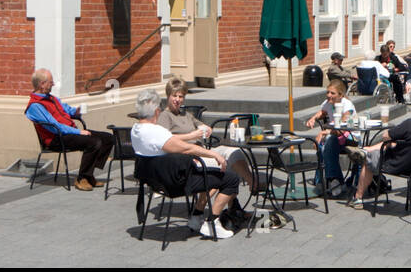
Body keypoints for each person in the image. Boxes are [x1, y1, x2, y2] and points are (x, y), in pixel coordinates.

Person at [130, 89, 240, 239]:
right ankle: (212, 223)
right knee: (231, 178)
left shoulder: (136, 130)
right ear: (156, 111)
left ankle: (197, 217)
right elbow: (186, 147)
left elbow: (174, 148)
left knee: (213, 173)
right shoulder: (155, 132)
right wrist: (214, 154)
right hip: (177, 183)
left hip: (157, 182)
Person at [347, 88, 411, 207]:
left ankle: (358, 198)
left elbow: (385, 135)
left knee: (370, 159)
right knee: (395, 143)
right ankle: (367, 149)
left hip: (401, 165)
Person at [156, 77, 254, 190]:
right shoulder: (165, 116)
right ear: (168, 96)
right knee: (225, 166)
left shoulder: (185, 114)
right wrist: (192, 136)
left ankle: (252, 184)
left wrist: (206, 129)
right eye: (174, 96)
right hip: (186, 159)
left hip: (202, 151)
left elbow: (201, 125)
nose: (177, 99)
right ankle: (201, 206)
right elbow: (166, 140)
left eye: (181, 96)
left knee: (233, 152)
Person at [25, 68, 114, 191]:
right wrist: (79, 132)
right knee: (94, 142)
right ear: (42, 84)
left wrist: (75, 112)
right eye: (51, 82)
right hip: (55, 139)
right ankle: (81, 178)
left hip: (68, 134)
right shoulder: (35, 106)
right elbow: (56, 127)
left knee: (108, 139)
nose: (53, 84)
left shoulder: (52, 99)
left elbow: (66, 110)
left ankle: (88, 174)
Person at [305, 79, 358, 196]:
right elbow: (322, 113)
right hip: (335, 138)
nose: (329, 95)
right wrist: (313, 118)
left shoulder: (346, 105)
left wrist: (323, 133)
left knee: (328, 142)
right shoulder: (328, 103)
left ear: (341, 95)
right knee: (325, 144)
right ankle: (335, 180)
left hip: (351, 138)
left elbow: (341, 128)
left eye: (332, 93)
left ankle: (332, 180)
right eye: (328, 92)